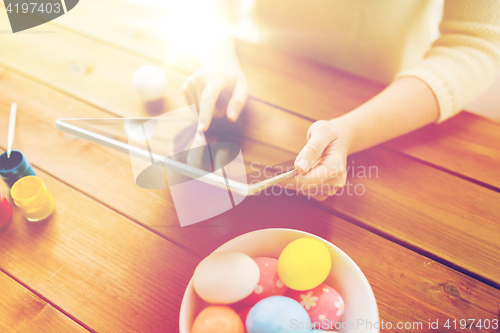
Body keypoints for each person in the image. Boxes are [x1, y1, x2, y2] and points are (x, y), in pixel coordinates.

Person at [182, 0, 500, 200]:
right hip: (257, 87)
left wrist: (350, 132)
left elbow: (474, 42)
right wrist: (219, 57)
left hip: (385, 106)